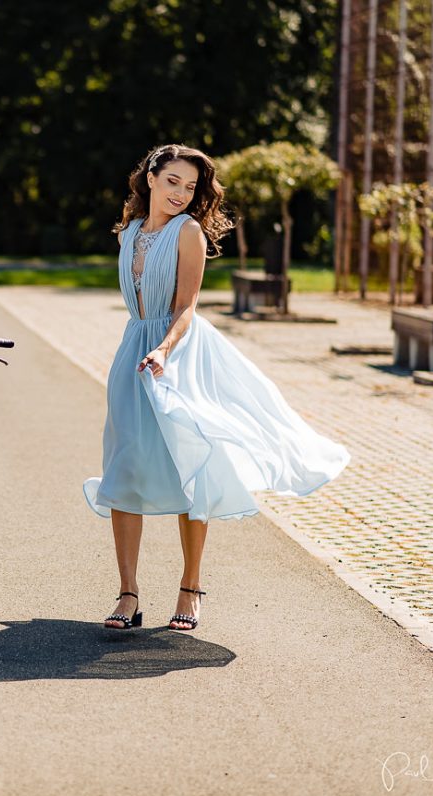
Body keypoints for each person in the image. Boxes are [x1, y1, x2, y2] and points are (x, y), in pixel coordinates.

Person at [83, 144, 349, 633]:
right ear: (150, 178)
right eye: (173, 182)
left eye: (190, 187)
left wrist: (162, 350)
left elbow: (187, 308)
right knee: (123, 467)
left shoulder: (188, 234)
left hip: (176, 355)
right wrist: (141, 348)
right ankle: (127, 592)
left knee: (190, 467)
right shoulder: (129, 234)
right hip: (131, 353)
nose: (181, 194)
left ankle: (190, 585)